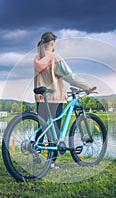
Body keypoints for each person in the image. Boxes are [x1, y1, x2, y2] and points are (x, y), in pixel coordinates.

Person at [33, 32, 95, 166]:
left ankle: (35, 154)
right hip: (55, 98)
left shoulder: (37, 58)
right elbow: (70, 76)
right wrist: (87, 86)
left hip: (41, 98)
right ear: (52, 43)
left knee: (42, 127)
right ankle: (51, 162)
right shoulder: (55, 58)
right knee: (55, 131)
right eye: (55, 43)